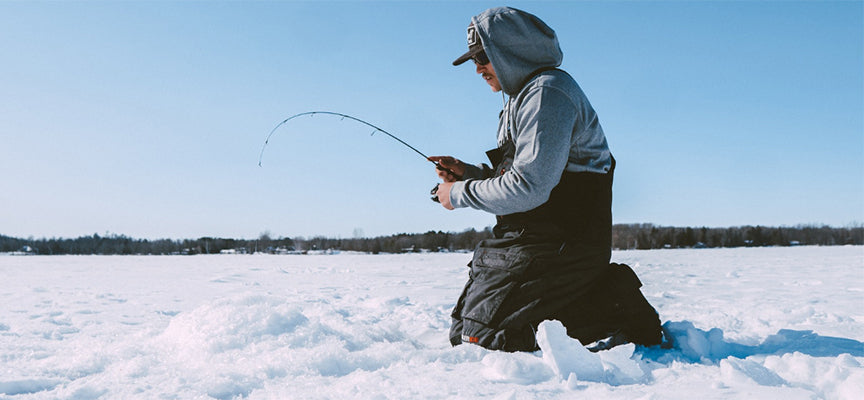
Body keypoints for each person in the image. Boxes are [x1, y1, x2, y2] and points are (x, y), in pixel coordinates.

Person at [430, 7, 663, 352]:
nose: (477, 69)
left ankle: (616, 305)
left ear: (509, 52)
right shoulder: (521, 99)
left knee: (484, 337)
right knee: (464, 331)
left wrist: (458, 193)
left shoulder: (548, 94)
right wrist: (470, 174)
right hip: (531, 241)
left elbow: (528, 187)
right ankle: (585, 296)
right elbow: (524, 177)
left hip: (564, 244)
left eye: (482, 57)